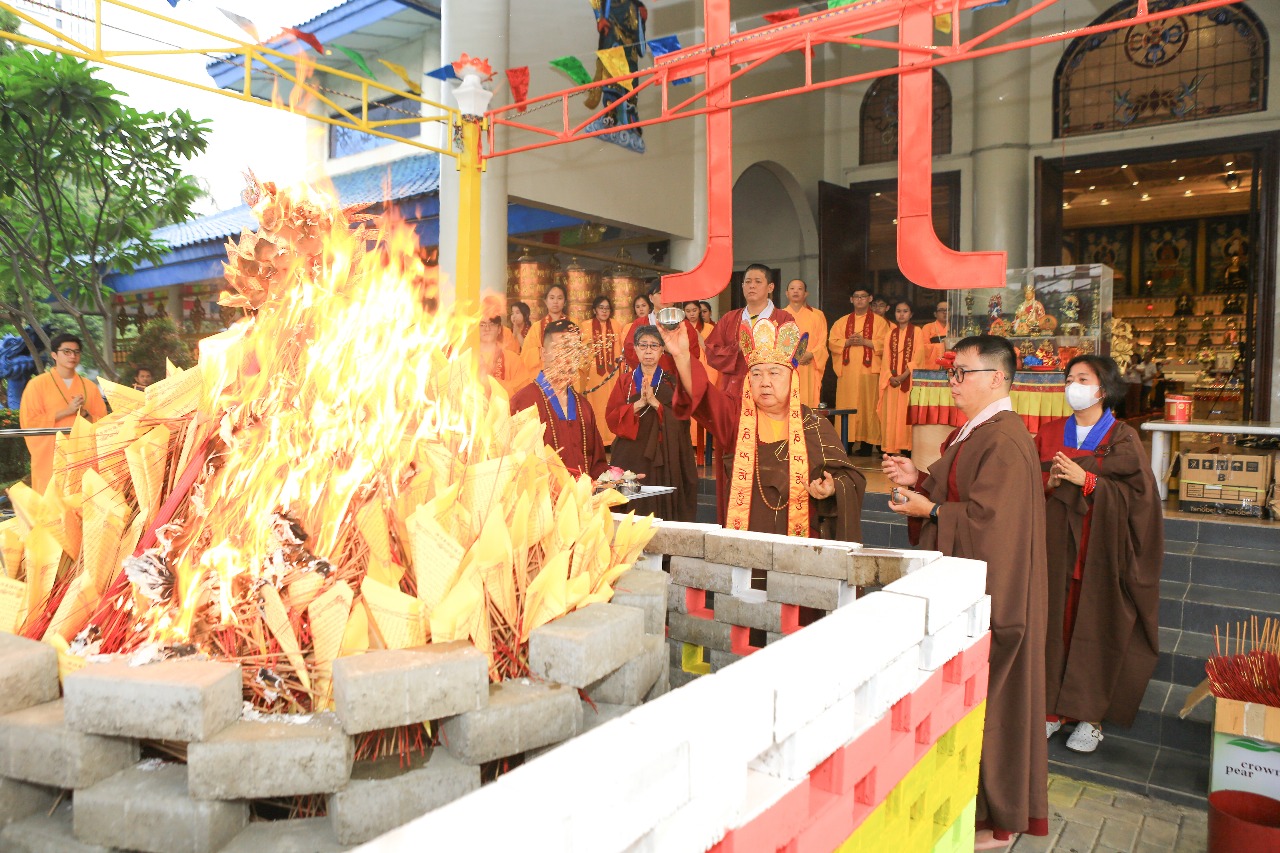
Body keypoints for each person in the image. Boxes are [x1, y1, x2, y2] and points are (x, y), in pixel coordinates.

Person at [882, 335, 1049, 849]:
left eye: (962, 373)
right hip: (975, 583)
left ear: (997, 378)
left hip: (998, 592)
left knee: (995, 702)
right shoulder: (979, 430)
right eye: (950, 372)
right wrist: (920, 480)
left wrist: (931, 510)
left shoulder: (1004, 438)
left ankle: (997, 818)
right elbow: (963, 493)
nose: (952, 383)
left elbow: (992, 525)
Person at [1037, 356, 1162, 756]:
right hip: (1056, 546)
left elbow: (1140, 498)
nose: (1073, 385)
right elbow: (1028, 484)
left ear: (1102, 390)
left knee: (1095, 627)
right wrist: (1049, 483)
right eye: (1069, 379)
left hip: (1102, 549)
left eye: (1082, 379)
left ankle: (1090, 717)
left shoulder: (1122, 437)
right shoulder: (1049, 432)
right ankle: (1050, 709)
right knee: (1053, 625)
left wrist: (1090, 481)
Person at [660, 317, 865, 540]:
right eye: (756, 374)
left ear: (792, 379)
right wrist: (681, 356)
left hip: (802, 542)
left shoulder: (814, 423)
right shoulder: (736, 416)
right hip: (747, 539)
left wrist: (832, 488)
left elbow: (848, 477)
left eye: (774, 373)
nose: (764, 382)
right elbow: (703, 396)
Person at [605, 326, 698, 522]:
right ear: (635, 349)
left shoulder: (671, 382)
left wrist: (656, 404)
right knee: (629, 510)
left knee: (659, 506)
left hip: (662, 455)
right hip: (631, 454)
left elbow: (682, 422)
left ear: (662, 349)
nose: (648, 351)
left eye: (654, 346)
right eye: (643, 345)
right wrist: (638, 404)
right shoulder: (625, 382)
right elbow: (612, 419)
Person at [510, 320, 608, 480]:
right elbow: (514, 465)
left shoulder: (583, 407)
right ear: (543, 353)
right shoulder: (524, 402)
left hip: (583, 495)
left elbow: (597, 465)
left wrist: (615, 479)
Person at [19, 333, 107, 494]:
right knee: (53, 499)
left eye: (76, 352)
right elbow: (29, 422)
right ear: (54, 355)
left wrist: (85, 414)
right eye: (67, 351)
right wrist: (66, 412)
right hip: (51, 457)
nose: (72, 356)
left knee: (83, 497)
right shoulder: (36, 385)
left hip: (83, 455)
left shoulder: (89, 386)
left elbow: (103, 424)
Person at [703, 264, 794, 401]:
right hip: (735, 390)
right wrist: (737, 348)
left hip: (771, 392)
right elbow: (711, 352)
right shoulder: (729, 319)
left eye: (758, 281)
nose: (752, 286)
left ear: (770, 287)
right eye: (748, 282)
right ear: (742, 286)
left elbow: (791, 356)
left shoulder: (784, 319)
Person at [828, 287, 889, 454]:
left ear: (870, 298)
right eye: (856, 297)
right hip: (848, 373)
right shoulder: (841, 322)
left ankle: (867, 445)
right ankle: (845, 443)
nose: (860, 300)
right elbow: (832, 342)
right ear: (851, 299)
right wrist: (847, 342)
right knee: (847, 406)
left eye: (863, 296)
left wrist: (865, 342)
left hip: (870, 373)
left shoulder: (879, 322)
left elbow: (886, 344)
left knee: (869, 408)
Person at [878, 301, 927, 456]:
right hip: (892, 382)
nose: (901, 314)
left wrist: (903, 376)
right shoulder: (890, 334)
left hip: (909, 380)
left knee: (906, 412)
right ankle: (892, 448)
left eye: (905, 311)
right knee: (892, 414)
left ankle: (906, 446)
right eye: (898, 311)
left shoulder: (917, 332)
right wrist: (890, 377)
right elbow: (885, 359)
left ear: (911, 314)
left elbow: (918, 357)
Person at [622, 283, 700, 372]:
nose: (664, 297)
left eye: (668, 294)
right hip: (647, 376)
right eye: (660, 293)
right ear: (651, 298)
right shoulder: (640, 323)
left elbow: (694, 353)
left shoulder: (684, 325)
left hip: (676, 376)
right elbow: (629, 350)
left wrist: (674, 352)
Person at [580, 295, 625, 445]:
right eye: (601, 308)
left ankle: (612, 439)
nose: (604, 311)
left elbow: (621, 349)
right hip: (593, 375)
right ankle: (597, 440)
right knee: (595, 407)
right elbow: (582, 351)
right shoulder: (585, 326)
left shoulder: (616, 325)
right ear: (594, 310)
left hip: (612, 374)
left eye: (607, 308)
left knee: (612, 404)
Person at [784, 279, 829, 410]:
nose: (796, 291)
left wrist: (811, 354)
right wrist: (793, 357)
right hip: (787, 368)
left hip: (808, 366)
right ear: (787, 293)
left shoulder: (816, 317)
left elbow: (822, 343)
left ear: (805, 294)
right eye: (792, 288)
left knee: (807, 405)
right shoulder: (780, 316)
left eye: (800, 289)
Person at [520, 285, 570, 372]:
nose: (555, 302)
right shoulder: (536, 327)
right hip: (543, 372)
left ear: (565, 302)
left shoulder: (574, 324)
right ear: (545, 301)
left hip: (567, 370)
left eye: (559, 298)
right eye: (552, 298)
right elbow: (526, 355)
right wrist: (544, 351)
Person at [479, 315, 529, 398]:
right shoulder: (467, 358)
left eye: (492, 324)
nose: (487, 328)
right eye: (482, 325)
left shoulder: (513, 359)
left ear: (499, 329)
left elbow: (524, 393)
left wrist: (492, 383)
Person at [922, 300, 950, 368]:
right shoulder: (927, 327)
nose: (945, 312)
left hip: (951, 364)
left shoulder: (955, 328)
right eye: (941, 310)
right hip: (934, 365)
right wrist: (942, 347)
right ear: (935, 314)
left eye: (947, 310)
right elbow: (923, 348)